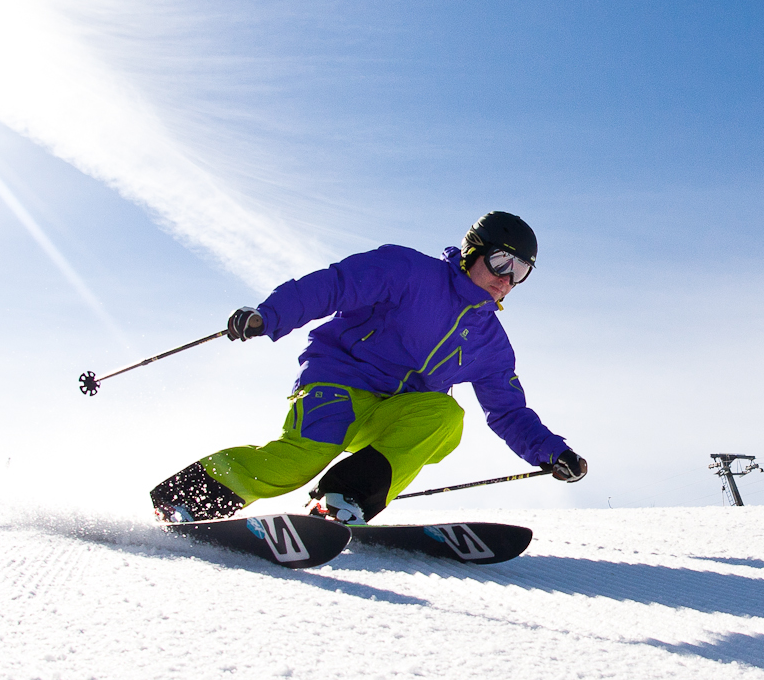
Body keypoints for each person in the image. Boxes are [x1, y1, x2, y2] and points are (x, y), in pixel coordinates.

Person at [149, 211, 587, 525]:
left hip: (394, 412)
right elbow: (335, 286)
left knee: (446, 417)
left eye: (521, 271)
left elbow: (508, 411)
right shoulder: (409, 271)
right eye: (500, 263)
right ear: (473, 252)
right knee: (299, 462)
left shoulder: (490, 342)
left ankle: (344, 499)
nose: (506, 279)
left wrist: (553, 452)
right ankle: (188, 498)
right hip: (338, 382)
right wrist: (271, 314)